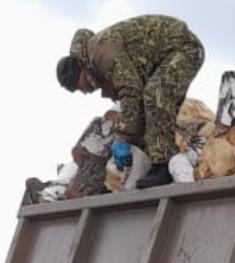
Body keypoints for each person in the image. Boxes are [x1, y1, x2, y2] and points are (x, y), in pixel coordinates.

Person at [56, 15, 205, 189]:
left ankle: (162, 166)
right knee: (146, 106)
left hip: (184, 48)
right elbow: (135, 109)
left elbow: (131, 90)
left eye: (77, 86)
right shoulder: (99, 71)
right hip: (163, 60)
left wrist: (123, 138)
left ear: (79, 72)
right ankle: (155, 165)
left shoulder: (101, 53)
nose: (82, 91)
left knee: (156, 94)